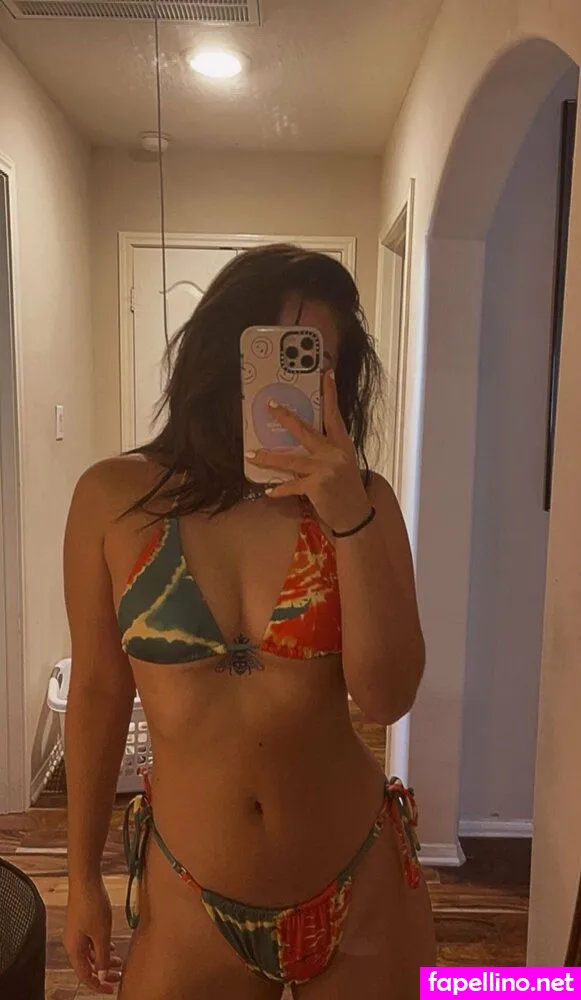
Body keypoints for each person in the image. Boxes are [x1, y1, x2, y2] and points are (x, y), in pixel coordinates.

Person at [62, 244, 436, 999]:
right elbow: (99, 692)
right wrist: (81, 878)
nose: (296, 384)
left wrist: (349, 518)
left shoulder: (364, 502)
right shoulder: (113, 498)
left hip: (357, 882)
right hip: (189, 894)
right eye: (277, 352)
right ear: (219, 353)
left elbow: (387, 696)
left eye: (319, 363)